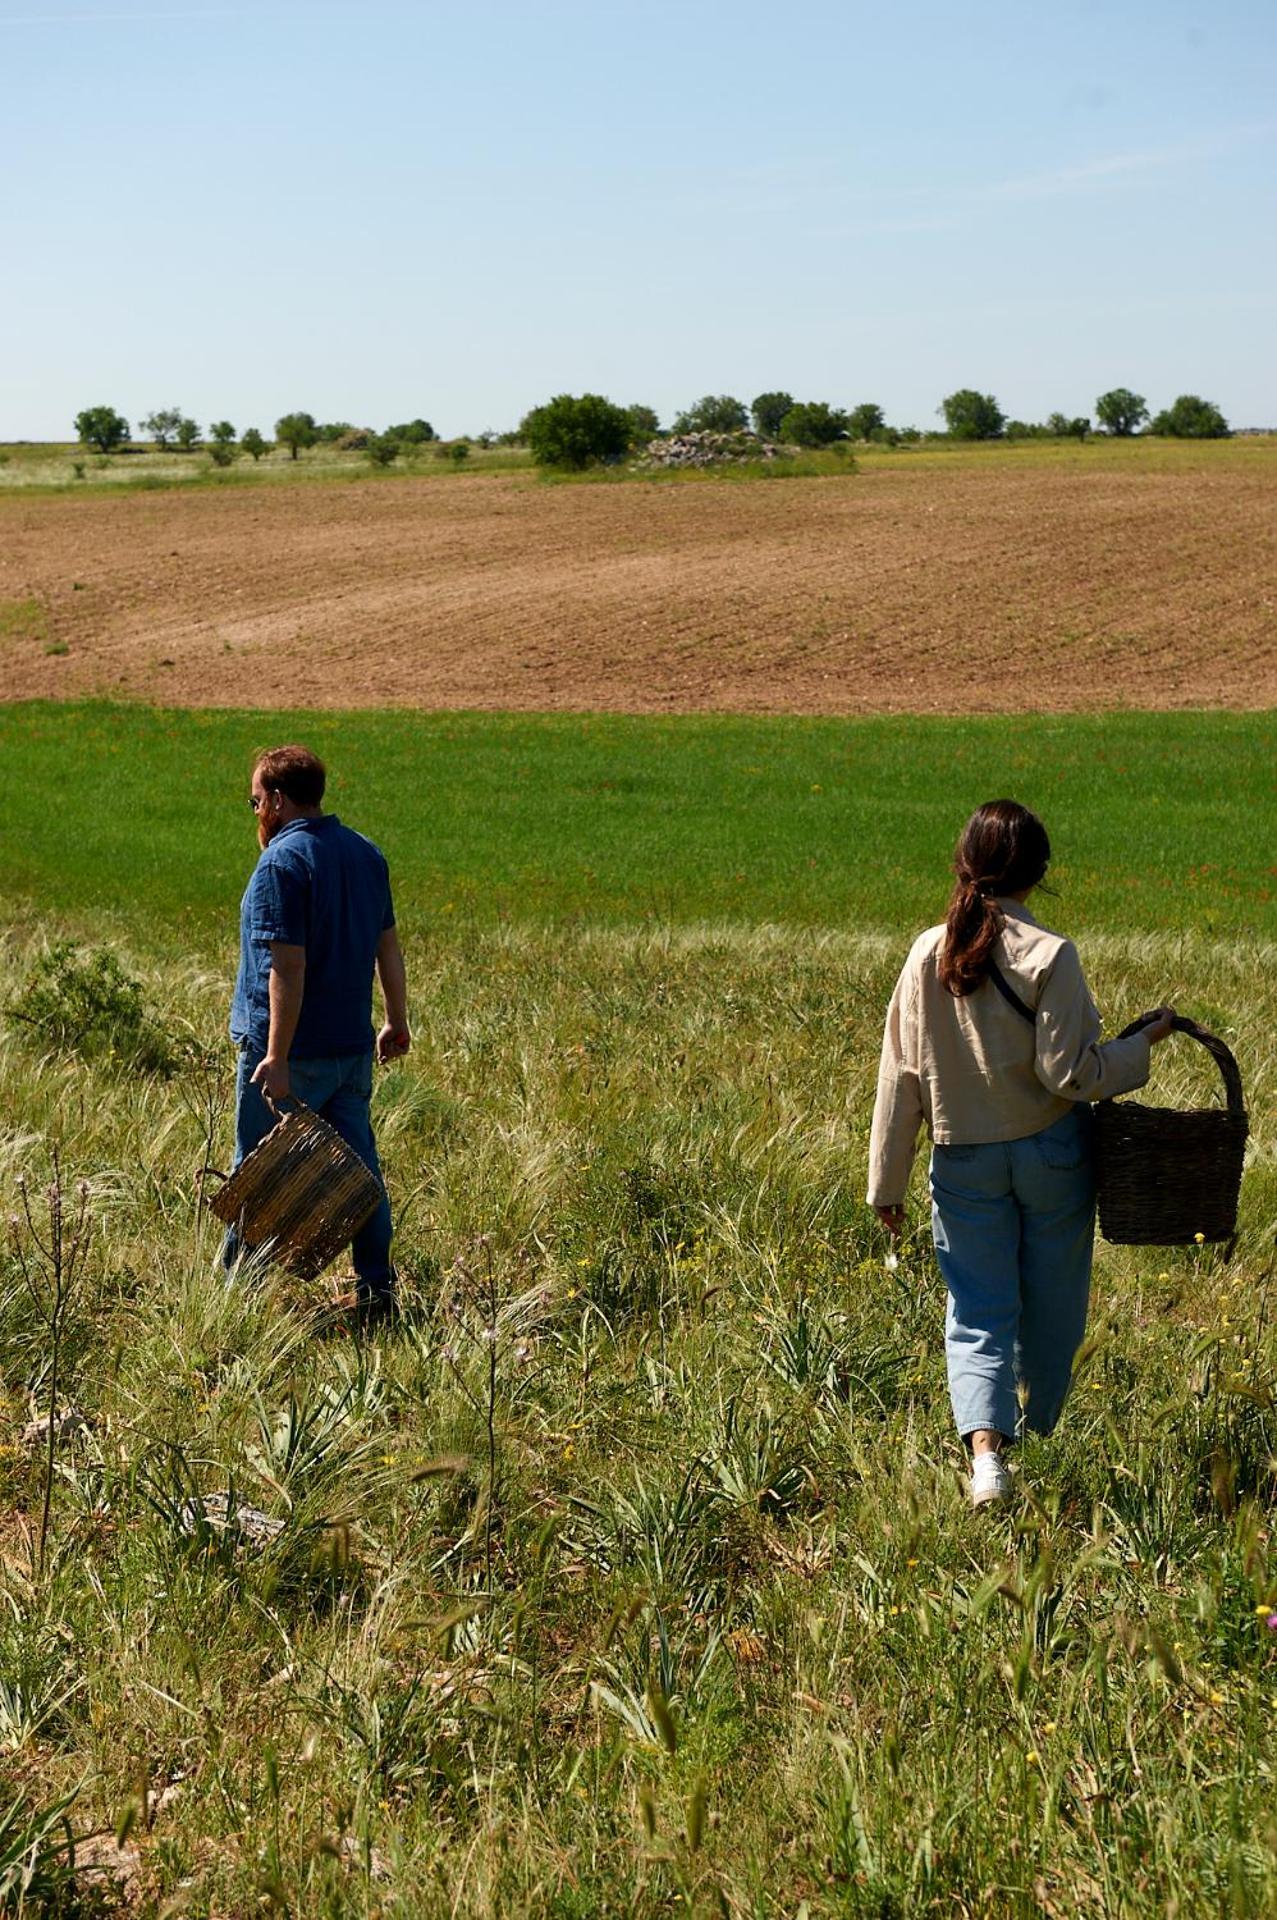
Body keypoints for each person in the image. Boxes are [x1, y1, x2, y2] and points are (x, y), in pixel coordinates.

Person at [866, 799, 1174, 1506]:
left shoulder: (925, 952)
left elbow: (900, 1074)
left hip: (962, 1160)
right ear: (1038, 872)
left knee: (977, 1309)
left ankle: (986, 1461)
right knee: (1053, 1307)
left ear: (964, 864)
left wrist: (887, 1182)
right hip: (1049, 1155)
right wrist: (1140, 1046)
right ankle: (1039, 1438)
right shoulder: (1051, 954)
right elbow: (1072, 1075)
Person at [226, 744, 410, 1325]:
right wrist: (397, 1020)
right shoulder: (365, 854)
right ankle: (377, 1293)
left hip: (291, 1055)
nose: (256, 811)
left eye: (256, 800)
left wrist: (276, 1057)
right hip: (352, 1049)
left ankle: (233, 1303)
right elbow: (389, 945)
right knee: (361, 1176)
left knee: (255, 1176)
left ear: (278, 801)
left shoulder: (282, 864)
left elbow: (287, 965)